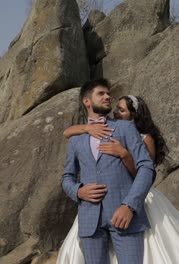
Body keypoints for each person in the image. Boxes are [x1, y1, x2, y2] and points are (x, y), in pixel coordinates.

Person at [57, 93, 179, 264]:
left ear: (133, 114)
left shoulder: (145, 137)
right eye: (116, 109)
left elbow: (144, 174)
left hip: (136, 194)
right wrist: (87, 128)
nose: (116, 113)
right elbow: (67, 132)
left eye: (122, 110)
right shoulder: (109, 130)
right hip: (102, 203)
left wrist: (124, 154)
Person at [61, 79, 155, 264]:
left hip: (124, 217)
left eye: (108, 93)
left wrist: (129, 206)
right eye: (101, 93)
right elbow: (67, 177)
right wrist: (78, 191)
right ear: (86, 101)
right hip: (90, 221)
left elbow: (146, 167)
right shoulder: (76, 139)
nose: (107, 96)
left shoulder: (126, 128)